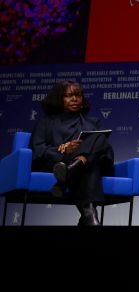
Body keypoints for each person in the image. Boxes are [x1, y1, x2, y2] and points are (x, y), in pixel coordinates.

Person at [29, 80, 114, 226]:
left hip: (81, 165)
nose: (75, 99)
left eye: (78, 95)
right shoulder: (46, 122)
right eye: (69, 96)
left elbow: (105, 151)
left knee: (99, 137)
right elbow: (36, 150)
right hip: (58, 164)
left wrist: (81, 153)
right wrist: (62, 149)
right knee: (90, 167)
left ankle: (70, 171)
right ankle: (89, 216)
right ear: (59, 98)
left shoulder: (93, 123)